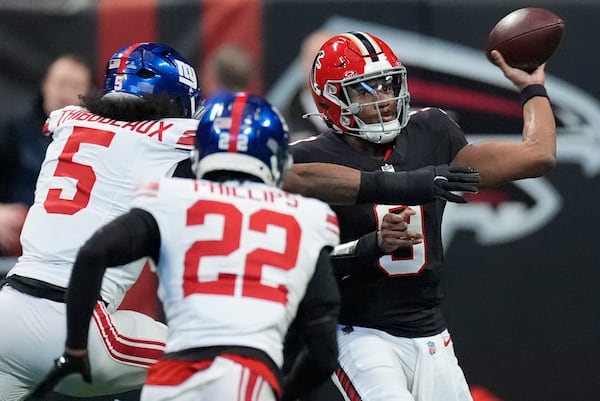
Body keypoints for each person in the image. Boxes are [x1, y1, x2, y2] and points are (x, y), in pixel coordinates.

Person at [282, 31, 556, 401]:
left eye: (386, 84)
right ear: (332, 100)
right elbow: (302, 265)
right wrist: (369, 245)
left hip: (432, 334)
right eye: (364, 90)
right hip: (361, 332)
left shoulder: (431, 131)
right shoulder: (307, 159)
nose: (382, 99)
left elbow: (537, 155)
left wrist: (532, 86)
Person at [30, 91, 341, 401]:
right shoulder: (307, 216)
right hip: (243, 372)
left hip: (170, 379)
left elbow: (93, 253)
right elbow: (323, 354)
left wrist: (74, 347)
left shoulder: (170, 198)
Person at [0, 42, 202, 400]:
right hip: (76, 327)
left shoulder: (67, 121)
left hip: (8, 312)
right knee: (220, 354)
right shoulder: (170, 141)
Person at [0, 53, 94, 256]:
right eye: (60, 83)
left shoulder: (97, 140)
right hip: (18, 236)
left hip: (74, 242)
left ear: (86, 92)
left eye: (74, 85)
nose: (66, 93)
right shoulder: (13, 131)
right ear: (46, 85)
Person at [282, 29, 332, 142]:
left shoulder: (359, 113)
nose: (320, 65)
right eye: (314, 56)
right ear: (302, 61)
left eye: (328, 58)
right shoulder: (283, 121)